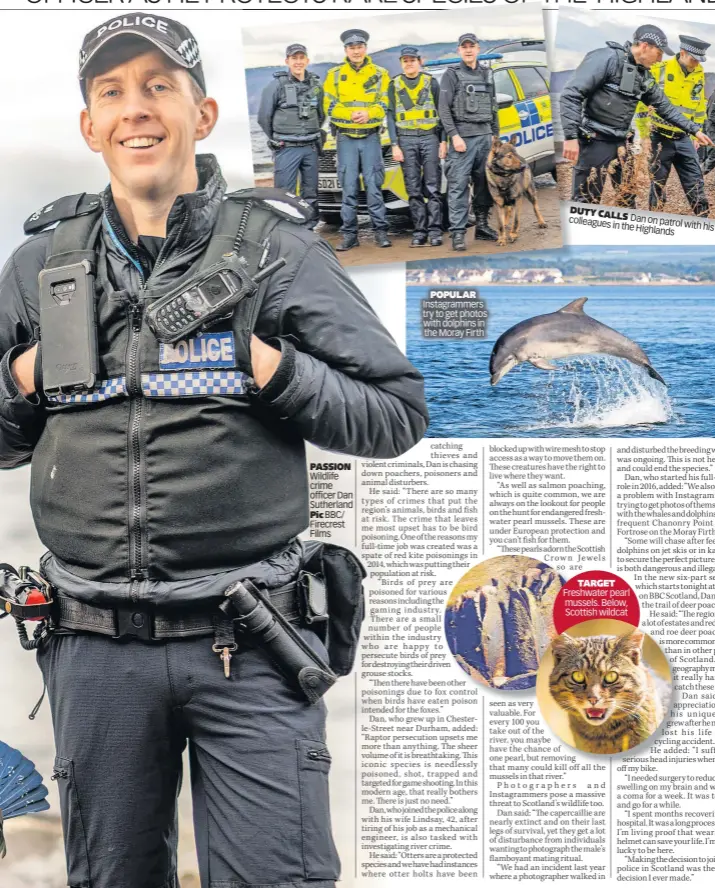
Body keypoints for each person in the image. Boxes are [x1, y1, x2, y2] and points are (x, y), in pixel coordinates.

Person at [0, 15, 428, 888]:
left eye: (159, 86)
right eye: (112, 92)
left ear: (203, 111)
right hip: (91, 653)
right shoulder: (38, 261)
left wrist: (268, 366)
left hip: (252, 640)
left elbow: (395, 414)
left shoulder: (278, 249)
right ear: (90, 125)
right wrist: (26, 377)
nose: (136, 110)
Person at [560, 24, 713, 208]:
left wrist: (694, 129)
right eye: (659, 53)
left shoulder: (644, 76)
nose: (660, 59)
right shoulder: (606, 58)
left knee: (628, 197)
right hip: (595, 141)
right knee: (586, 201)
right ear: (645, 46)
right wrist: (570, 137)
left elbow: (665, 107)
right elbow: (571, 94)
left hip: (622, 144)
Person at [323, 29, 391, 251]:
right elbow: (329, 104)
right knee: (349, 189)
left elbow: (385, 102)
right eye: (352, 47)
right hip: (346, 140)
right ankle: (350, 235)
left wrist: (369, 114)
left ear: (365, 48)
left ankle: (381, 232)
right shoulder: (334, 75)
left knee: (374, 187)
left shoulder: (381, 73)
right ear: (346, 50)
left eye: (359, 46)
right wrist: (349, 115)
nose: (356, 51)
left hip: (370, 138)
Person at [635, 36, 710, 216]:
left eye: (699, 60)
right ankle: (656, 219)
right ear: (682, 53)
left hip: (684, 138)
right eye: (693, 59)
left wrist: (695, 135)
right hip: (658, 137)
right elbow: (642, 106)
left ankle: (704, 219)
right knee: (657, 184)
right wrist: (644, 136)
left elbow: (699, 108)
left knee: (695, 181)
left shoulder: (699, 74)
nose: (696, 63)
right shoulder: (659, 70)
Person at [438, 33, 500, 252]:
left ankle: (482, 226)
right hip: (462, 139)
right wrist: (454, 136)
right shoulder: (451, 75)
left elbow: (492, 105)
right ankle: (458, 233)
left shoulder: (487, 73)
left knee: (484, 184)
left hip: (485, 137)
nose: (468, 50)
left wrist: (495, 136)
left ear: (478, 49)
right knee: (457, 187)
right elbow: (444, 109)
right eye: (464, 47)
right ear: (459, 50)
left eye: (471, 46)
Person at [257, 42, 324, 226]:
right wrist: (279, 138)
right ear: (287, 61)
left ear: (307, 60)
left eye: (301, 58)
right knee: (284, 194)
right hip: (287, 148)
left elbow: (320, 114)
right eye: (294, 58)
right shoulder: (276, 86)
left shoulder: (316, 86)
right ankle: (286, 231)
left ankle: (309, 229)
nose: (298, 62)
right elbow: (264, 118)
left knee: (310, 193)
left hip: (310, 147)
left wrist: (311, 131)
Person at [387, 47, 446, 247]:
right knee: (412, 189)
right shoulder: (394, 84)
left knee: (433, 187)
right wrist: (395, 144)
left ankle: (435, 230)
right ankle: (419, 231)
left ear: (420, 62)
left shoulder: (431, 82)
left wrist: (443, 141)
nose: (409, 63)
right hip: (406, 139)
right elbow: (390, 115)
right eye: (405, 60)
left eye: (412, 60)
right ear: (401, 63)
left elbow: (442, 113)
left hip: (430, 138)